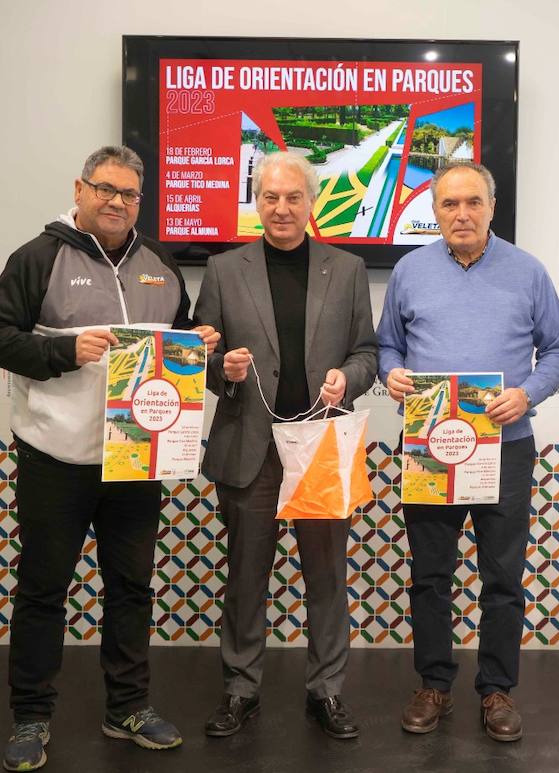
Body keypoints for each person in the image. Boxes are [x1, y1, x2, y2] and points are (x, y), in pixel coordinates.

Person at [0, 145, 220, 771]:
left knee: (131, 588)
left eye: (129, 194)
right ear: (79, 190)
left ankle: (127, 707)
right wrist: (62, 352)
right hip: (55, 457)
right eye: (105, 189)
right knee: (43, 590)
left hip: (135, 459)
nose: (117, 202)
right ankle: (31, 717)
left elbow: (179, 340)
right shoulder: (38, 257)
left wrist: (199, 344)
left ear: (141, 200)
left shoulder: (160, 263)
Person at [377, 161, 559, 742]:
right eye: (449, 204)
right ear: (434, 210)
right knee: (430, 575)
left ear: (492, 206)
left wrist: (527, 394)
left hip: (506, 448)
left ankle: (496, 690)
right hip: (431, 445)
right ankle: (433, 683)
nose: (461, 214)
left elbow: (558, 351)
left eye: (473, 203)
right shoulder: (410, 271)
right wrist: (391, 374)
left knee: (503, 577)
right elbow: (387, 346)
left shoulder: (528, 271)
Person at [194, 151, 378, 741]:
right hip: (250, 447)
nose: (281, 208)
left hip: (321, 446)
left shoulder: (347, 269)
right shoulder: (224, 270)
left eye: (293, 197)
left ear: (311, 202)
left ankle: (327, 691)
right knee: (245, 578)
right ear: (256, 201)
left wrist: (348, 378)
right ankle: (240, 689)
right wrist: (222, 369)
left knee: (326, 579)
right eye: (270, 197)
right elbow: (198, 357)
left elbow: (367, 352)